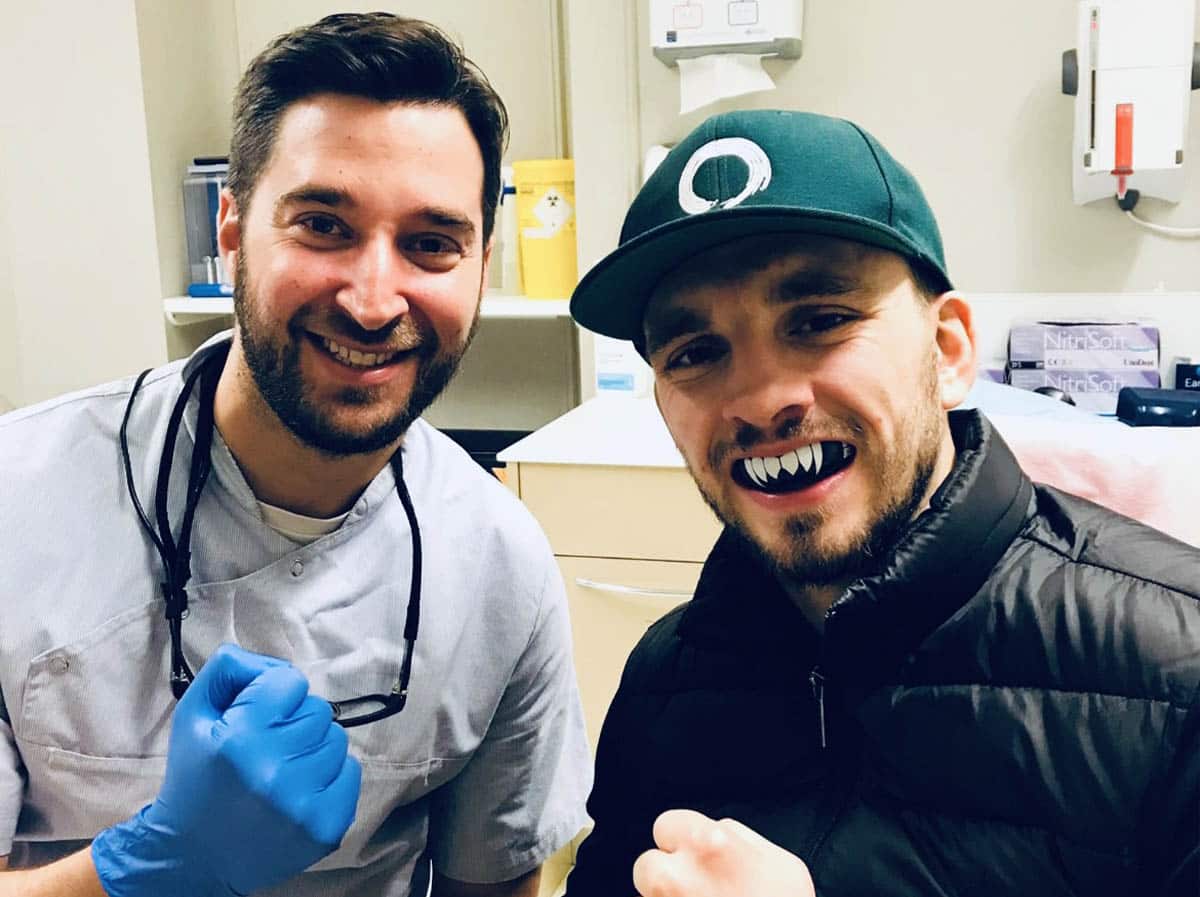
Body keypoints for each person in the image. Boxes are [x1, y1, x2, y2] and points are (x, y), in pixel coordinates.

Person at [0, 13, 590, 896]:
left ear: (480, 263)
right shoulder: (21, 502)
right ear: (233, 228)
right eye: (323, 225)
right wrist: (149, 866)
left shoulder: (499, 566)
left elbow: (495, 883)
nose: (372, 298)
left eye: (431, 243)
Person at [562, 109, 1200, 897]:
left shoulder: (1178, 679)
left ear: (949, 352)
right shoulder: (665, 680)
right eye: (696, 353)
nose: (762, 401)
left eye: (820, 320)